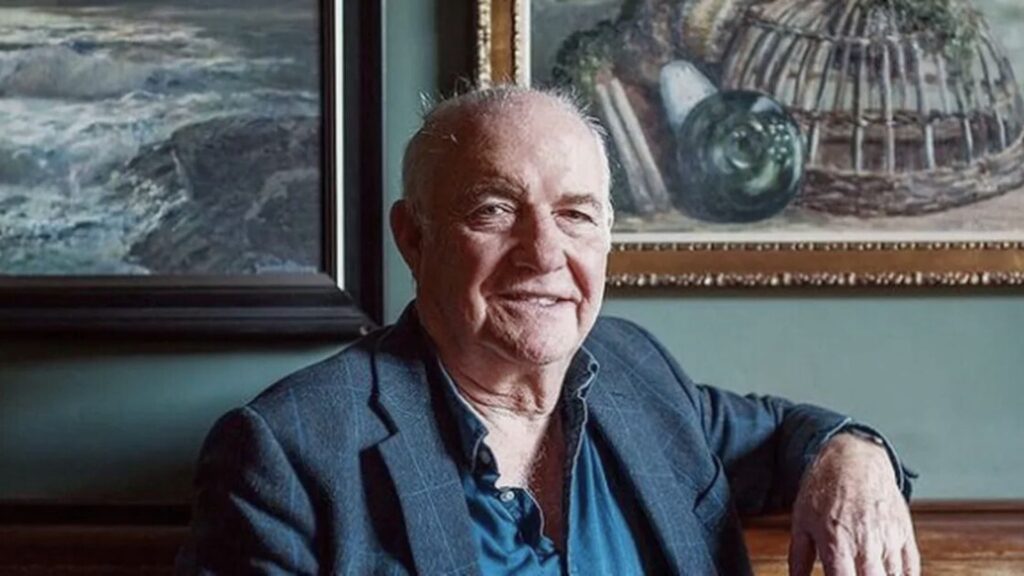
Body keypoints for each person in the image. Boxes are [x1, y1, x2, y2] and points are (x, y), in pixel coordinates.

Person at [177, 86, 918, 575]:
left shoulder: (636, 370)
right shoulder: (287, 451)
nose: (544, 254)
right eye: (494, 210)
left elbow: (781, 431)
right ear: (414, 237)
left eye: (575, 214)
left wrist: (851, 457)